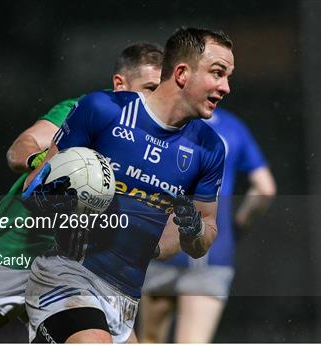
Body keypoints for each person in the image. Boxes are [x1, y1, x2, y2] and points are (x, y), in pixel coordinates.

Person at [0, 43, 164, 343]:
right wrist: (47, 164)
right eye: (149, 88)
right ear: (119, 84)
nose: (154, 99)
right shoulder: (83, 111)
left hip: (75, 271)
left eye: (160, 90)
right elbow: (19, 149)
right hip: (12, 254)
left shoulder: (153, 144)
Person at [22, 27, 233, 343]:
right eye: (218, 73)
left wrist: (192, 233)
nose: (226, 87)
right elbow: (32, 189)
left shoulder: (209, 148)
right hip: (66, 278)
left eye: (228, 76)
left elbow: (205, 228)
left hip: (125, 299)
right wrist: (54, 194)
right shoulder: (103, 110)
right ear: (181, 73)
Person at [140, 108, 277, 343]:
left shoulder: (162, 120)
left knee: (150, 340)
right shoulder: (232, 127)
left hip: (162, 244)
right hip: (212, 251)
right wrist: (238, 226)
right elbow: (265, 189)